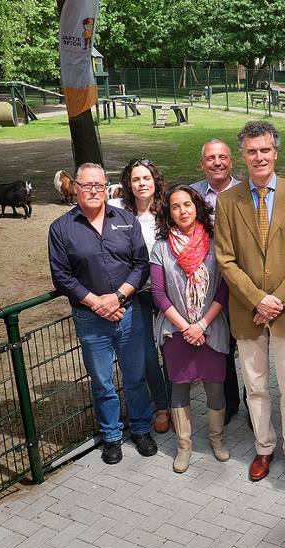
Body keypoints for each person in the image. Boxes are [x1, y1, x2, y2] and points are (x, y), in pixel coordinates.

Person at [214, 121, 285, 486]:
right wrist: (258, 299)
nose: (259, 157)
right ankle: (264, 447)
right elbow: (225, 259)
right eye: (252, 151)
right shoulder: (228, 201)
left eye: (265, 150)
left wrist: (278, 300)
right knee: (256, 387)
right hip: (248, 311)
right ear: (242, 155)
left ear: (276, 152)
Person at [48, 162, 156, 465]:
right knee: (102, 381)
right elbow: (62, 277)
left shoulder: (125, 220)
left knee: (135, 376)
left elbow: (141, 264)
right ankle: (111, 436)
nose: (94, 191)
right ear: (76, 188)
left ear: (106, 187)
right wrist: (97, 303)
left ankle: (141, 429)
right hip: (90, 318)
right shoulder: (61, 228)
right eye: (87, 185)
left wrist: (118, 297)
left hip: (128, 312)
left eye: (99, 185)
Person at [150, 185, 230, 473]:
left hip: (211, 327)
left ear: (197, 206)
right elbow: (158, 293)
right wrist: (187, 327)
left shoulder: (215, 242)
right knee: (179, 387)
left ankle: (217, 440)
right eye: (175, 206)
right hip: (176, 330)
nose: (183, 210)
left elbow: (224, 289)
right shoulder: (161, 247)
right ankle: (184, 446)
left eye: (187, 204)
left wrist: (202, 324)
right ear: (168, 212)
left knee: (215, 386)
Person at [108, 158, 171, 434]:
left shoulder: (166, 210)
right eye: (135, 179)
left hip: (167, 291)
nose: (142, 183)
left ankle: (177, 402)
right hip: (136, 292)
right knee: (146, 354)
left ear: (155, 180)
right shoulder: (118, 211)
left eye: (146, 178)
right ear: (128, 184)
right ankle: (162, 405)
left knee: (171, 349)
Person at [190, 139, 244, 424]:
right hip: (208, 286)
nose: (217, 162)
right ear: (202, 164)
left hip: (242, 284)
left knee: (249, 347)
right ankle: (228, 403)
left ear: (231, 162)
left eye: (222, 157)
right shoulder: (193, 195)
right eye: (210, 158)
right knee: (220, 347)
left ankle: (254, 405)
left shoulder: (246, 192)